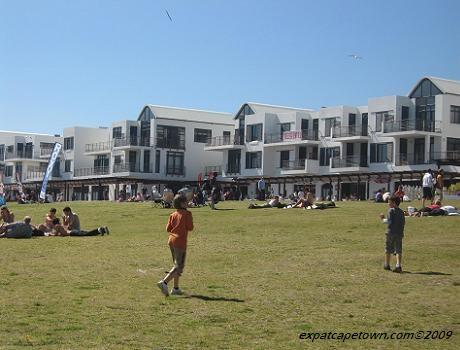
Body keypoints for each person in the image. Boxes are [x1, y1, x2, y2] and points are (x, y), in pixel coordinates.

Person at [157, 195, 194, 297]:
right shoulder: (187, 214)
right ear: (182, 204)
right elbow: (190, 228)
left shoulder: (173, 214)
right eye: (186, 202)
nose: (188, 203)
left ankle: (176, 288)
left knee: (175, 264)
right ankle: (164, 282)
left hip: (171, 240)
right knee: (179, 266)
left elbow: (168, 229)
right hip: (180, 242)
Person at [379, 196, 405, 273]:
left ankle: (387, 264)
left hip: (390, 232)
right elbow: (403, 222)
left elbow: (389, 222)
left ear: (393, 203)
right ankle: (398, 265)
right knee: (398, 250)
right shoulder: (401, 212)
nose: (388, 203)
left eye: (389, 202)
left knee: (388, 249)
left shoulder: (391, 210)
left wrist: (382, 218)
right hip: (399, 233)